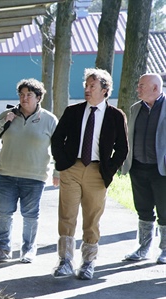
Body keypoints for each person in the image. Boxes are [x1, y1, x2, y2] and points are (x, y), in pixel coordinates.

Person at [50, 68, 128, 280]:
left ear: (105, 90)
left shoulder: (115, 116)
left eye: (92, 86)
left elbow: (122, 148)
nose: (87, 89)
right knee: (67, 214)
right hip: (72, 168)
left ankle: (88, 262)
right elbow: (57, 139)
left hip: (97, 172)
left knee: (92, 217)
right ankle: (65, 261)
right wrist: (62, 163)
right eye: (86, 85)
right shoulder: (73, 111)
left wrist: (108, 170)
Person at [0, 78, 59, 264]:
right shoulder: (8, 115)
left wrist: (58, 172)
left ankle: (28, 249)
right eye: (21, 95)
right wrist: (4, 120)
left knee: (30, 215)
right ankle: (3, 249)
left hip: (34, 177)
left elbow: (59, 149)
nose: (24, 99)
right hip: (6, 175)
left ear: (38, 97)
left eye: (29, 95)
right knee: (4, 213)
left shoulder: (49, 120)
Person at [121, 73, 166, 264]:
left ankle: (164, 250)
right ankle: (143, 248)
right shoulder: (135, 108)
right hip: (138, 167)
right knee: (143, 209)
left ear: (155, 89)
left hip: (161, 169)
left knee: (165, 211)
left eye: (141, 86)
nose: (137, 88)